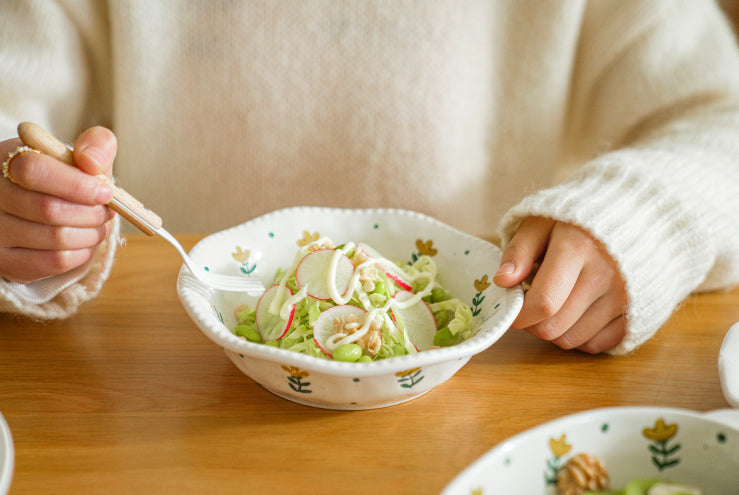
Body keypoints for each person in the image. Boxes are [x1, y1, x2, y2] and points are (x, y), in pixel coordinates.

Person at [1, 0, 738, 355]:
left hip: (492, 397)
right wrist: (23, 204)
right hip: (158, 389)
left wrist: (642, 214)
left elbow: (722, 120)